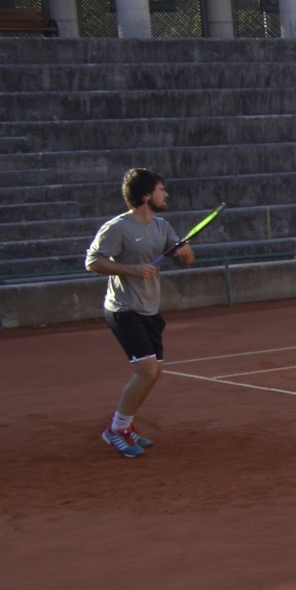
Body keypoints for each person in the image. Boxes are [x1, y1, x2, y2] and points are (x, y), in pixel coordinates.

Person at [84, 167, 192, 458]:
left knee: (154, 372)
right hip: (123, 308)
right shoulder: (117, 227)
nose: (165, 194)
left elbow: (187, 260)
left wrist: (185, 253)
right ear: (146, 195)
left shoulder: (162, 226)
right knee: (145, 370)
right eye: (161, 189)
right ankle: (115, 430)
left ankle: (125, 425)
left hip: (149, 308)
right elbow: (93, 262)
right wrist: (131, 269)